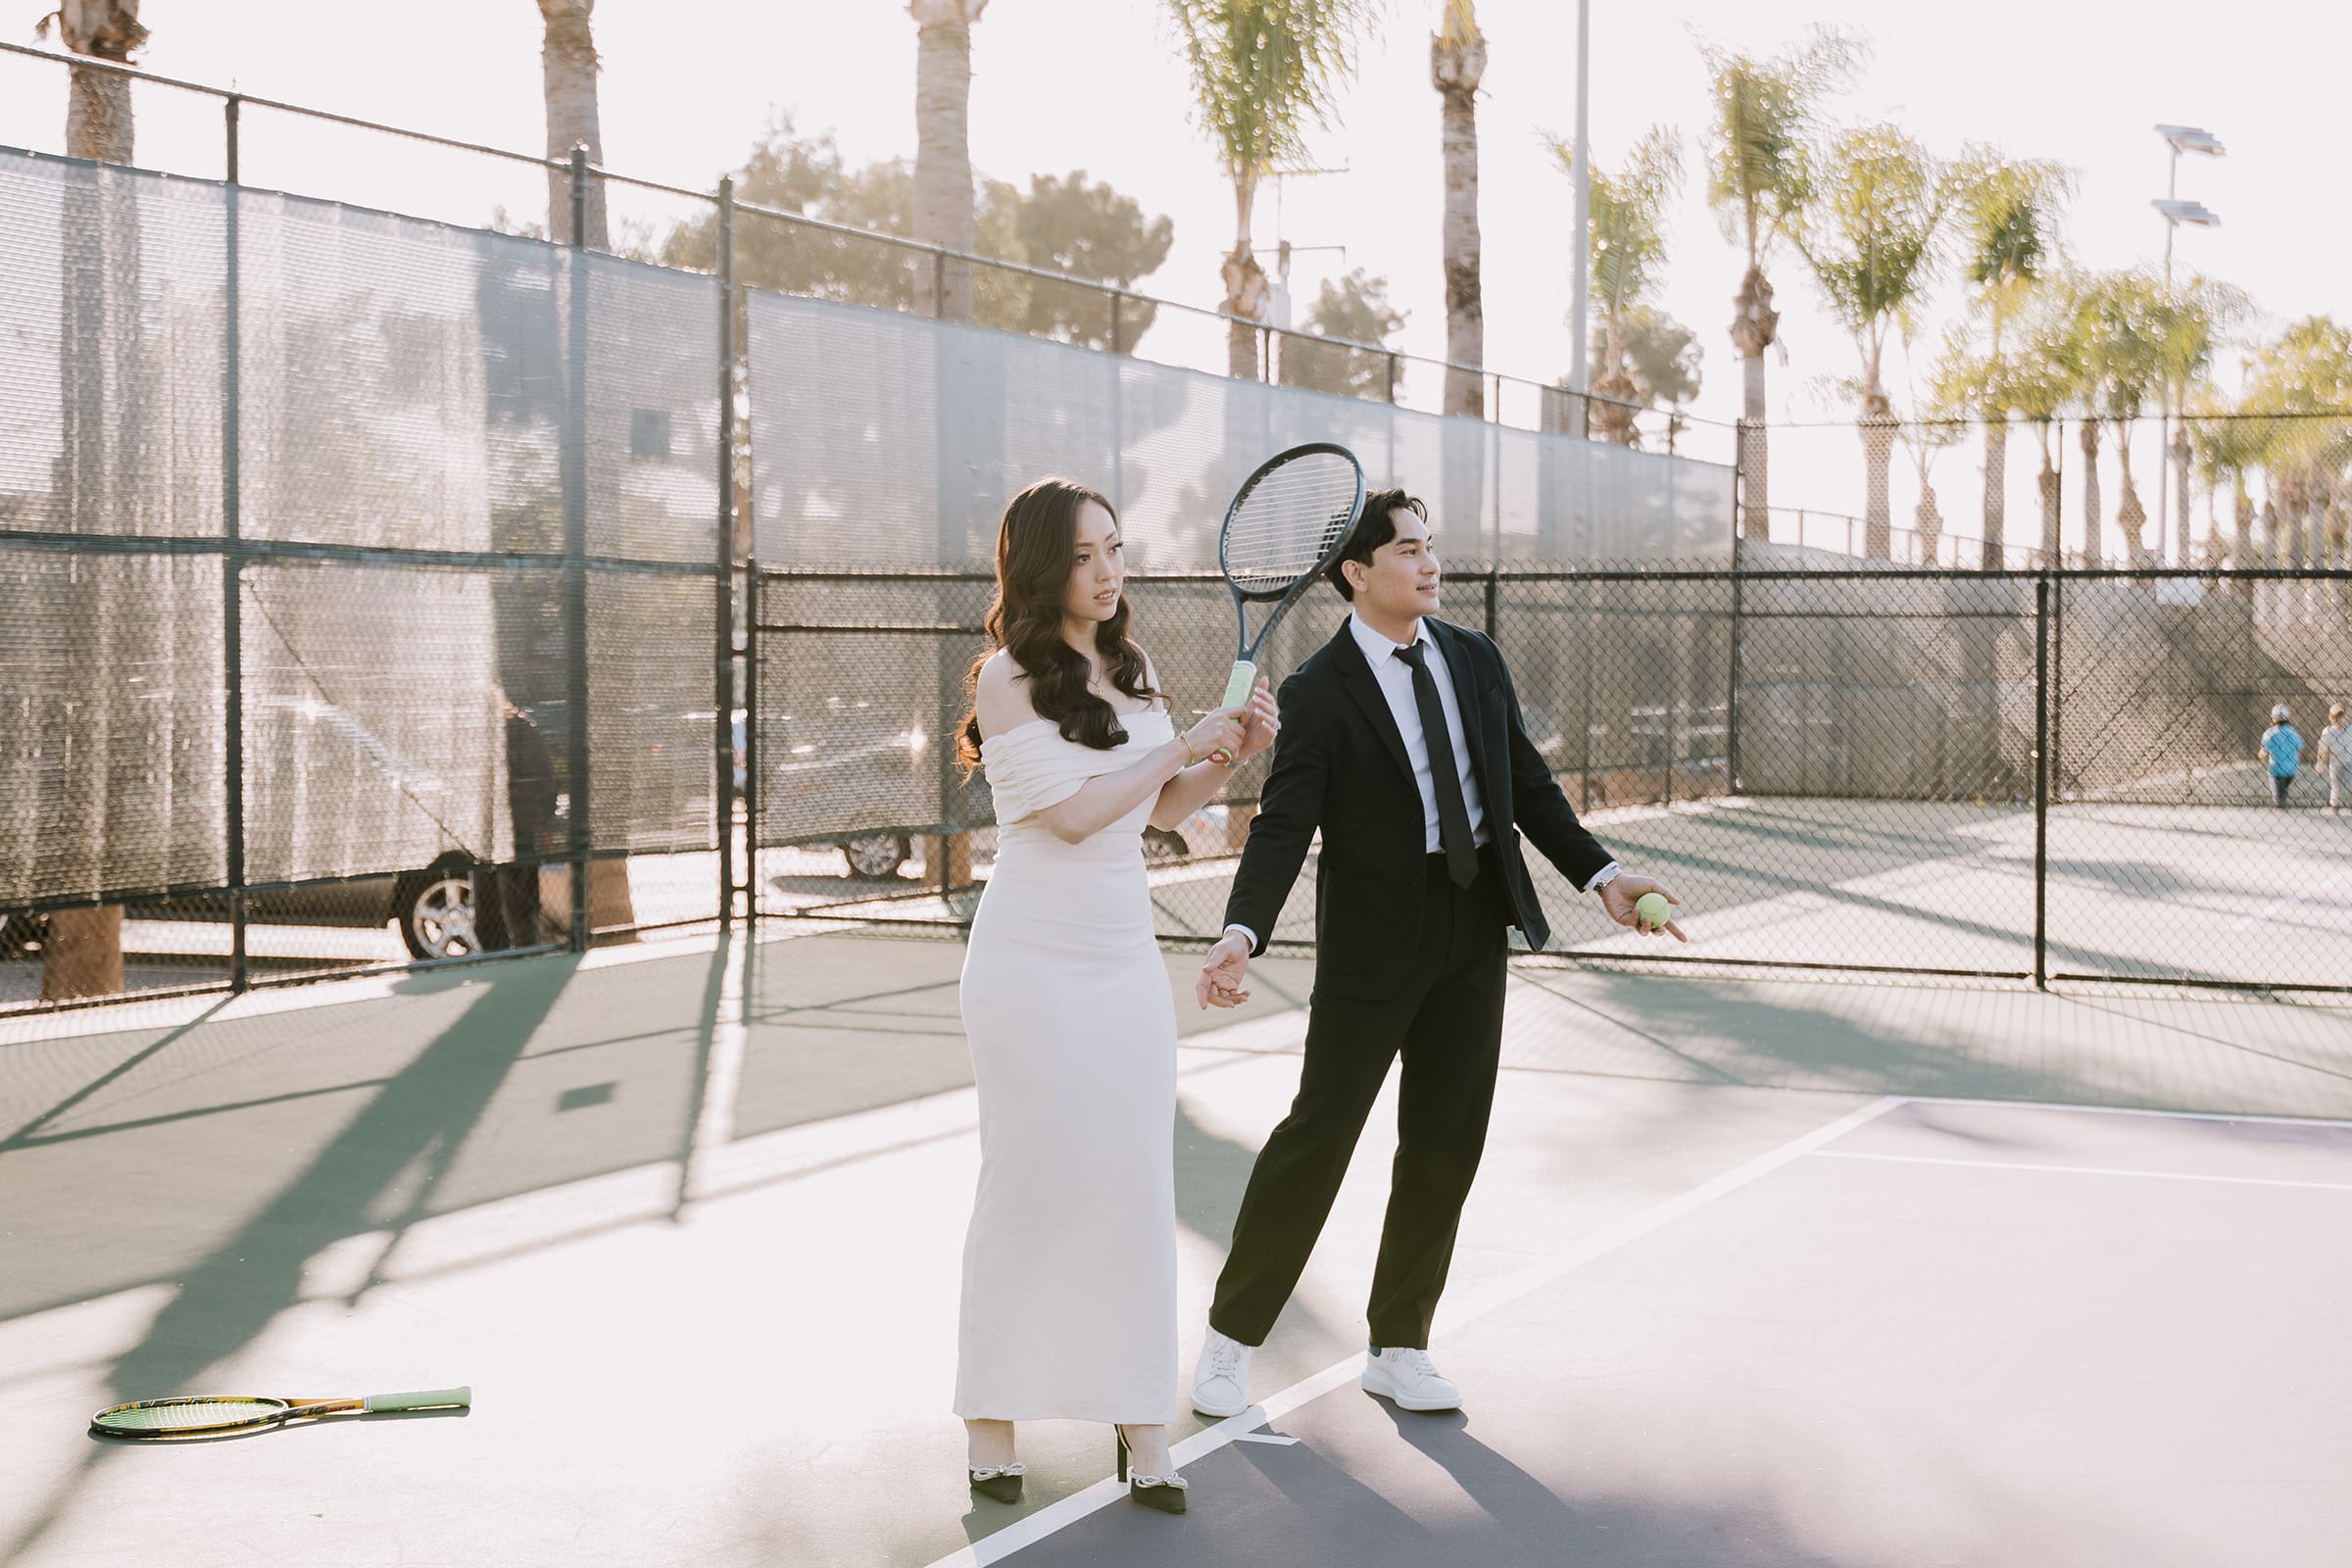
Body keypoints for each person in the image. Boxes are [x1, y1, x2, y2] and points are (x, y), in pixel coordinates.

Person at [1188, 489, 1685, 1423]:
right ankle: (1230, 1340)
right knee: (1317, 1139)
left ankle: (1400, 1345)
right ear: (1356, 573)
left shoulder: (1473, 657)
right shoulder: (1317, 693)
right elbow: (1282, 828)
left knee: (1445, 1142)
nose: (1429, 563)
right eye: (1408, 550)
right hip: (1372, 944)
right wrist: (1240, 934)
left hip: (1474, 921)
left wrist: (1604, 876)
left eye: (1430, 546)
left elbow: (1528, 787)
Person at [953, 477, 1278, 1517]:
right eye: (1085, 554)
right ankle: (992, 1418)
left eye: (1116, 549)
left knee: (1135, 1186)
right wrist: (1186, 740)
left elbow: (1165, 811)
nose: (1107, 571)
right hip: (1028, 964)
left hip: (1122, 960)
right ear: (1042, 566)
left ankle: (1142, 1425)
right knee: (1030, 1183)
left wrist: (1231, 754)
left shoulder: (1134, 673)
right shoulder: (1005, 678)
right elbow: (1078, 815)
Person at [2259, 704, 2304, 810]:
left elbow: (2263, 753)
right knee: (2283, 787)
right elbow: (2300, 747)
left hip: (2276, 769)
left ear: (2273, 718)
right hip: (2291, 769)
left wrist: (2263, 759)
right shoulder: (2293, 732)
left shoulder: (2270, 734)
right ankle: (2281, 797)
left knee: (2278, 792)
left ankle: (2280, 803)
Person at [2320, 704, 2351, 816]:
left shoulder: (2350, 729)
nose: (2339, 719)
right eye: (2336, 716)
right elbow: (2323, 749)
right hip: (2335, 762)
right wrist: (2321, 763)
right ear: (2331, 717)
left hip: (2350, 761)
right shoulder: (2328, 731)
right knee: (2336, 786)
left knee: (2351, 784)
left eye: (2341, 716)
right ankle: (2334, 806)